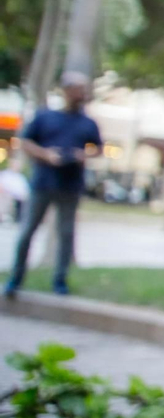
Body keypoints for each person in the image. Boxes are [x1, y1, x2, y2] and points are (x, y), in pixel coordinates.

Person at [4, 72, 101, 297]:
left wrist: (81, 155)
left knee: (66, 233)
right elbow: (25, 141)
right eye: (78, 89)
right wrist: (46, 155)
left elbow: (98, 148)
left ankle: (60, 281)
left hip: (71, 185)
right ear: (66, 90)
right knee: (27, 231)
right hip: (43, 183)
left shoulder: (88, 122)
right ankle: (15, 279)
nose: (82, 94)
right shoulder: (45, 117)